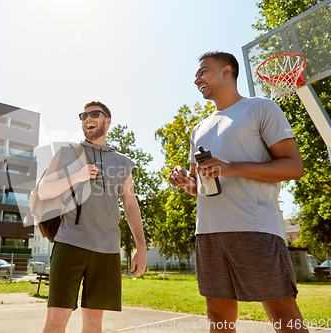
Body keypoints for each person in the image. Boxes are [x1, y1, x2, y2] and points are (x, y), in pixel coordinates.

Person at [168, 52, 307, 333]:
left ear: (227, 72)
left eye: (203, 72)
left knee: (283, 316)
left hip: (255, 228)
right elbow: (204, 189)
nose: (196, 79)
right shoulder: (199, 128)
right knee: (218, 318)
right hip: (208, 233)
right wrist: (187, 184)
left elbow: (294, 166)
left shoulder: (261, 108)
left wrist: (232, 168)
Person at [39, 101, 147, 333]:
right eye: (84, 115)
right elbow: (43, 191)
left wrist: (141, 246)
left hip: (106, 248)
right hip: (70, 243)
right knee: (57, 318)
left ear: (108, 121)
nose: (88, 118)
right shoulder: (66, 152)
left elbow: (130, 204)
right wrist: (75, 176)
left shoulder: (122, 162)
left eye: (94, 114)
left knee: (94, 321)